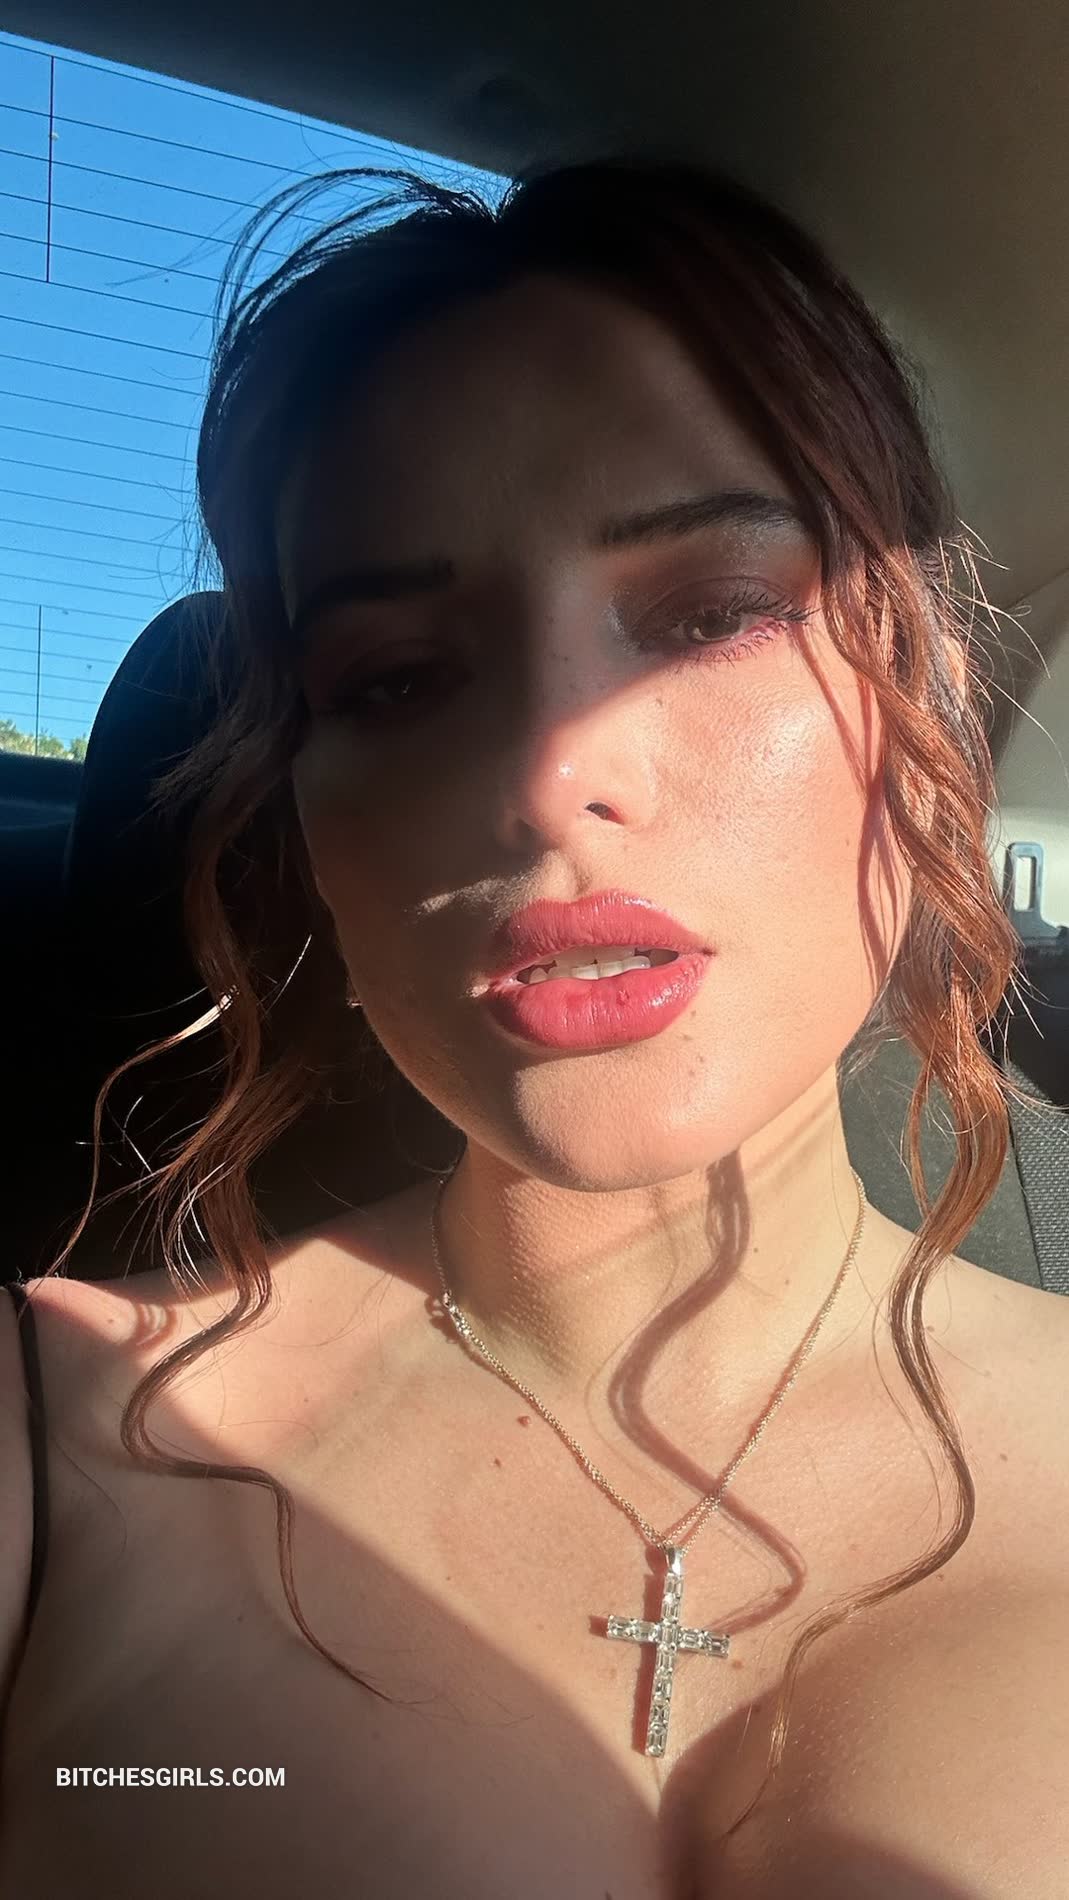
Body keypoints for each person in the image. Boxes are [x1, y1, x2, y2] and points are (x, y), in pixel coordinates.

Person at [2, 153, 1067, 1898]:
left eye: (713, 613)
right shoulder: (51, 1445)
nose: (548, 772)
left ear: (919, 702)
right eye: (397, 678)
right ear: (306, 832)